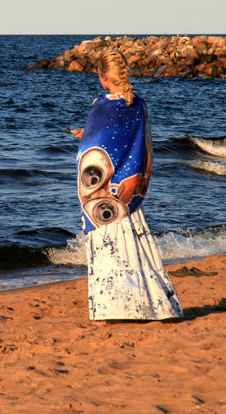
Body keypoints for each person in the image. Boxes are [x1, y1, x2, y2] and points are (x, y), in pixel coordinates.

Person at [74, 50, 183, 325]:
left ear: (102, 78)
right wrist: (86, 134)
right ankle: (155, 306)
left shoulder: (101, 106)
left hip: (103, 197)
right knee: (136, 248)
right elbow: (135, 142)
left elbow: (95, 148)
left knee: (105, 249)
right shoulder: (138, 104)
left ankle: (106, 313)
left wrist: (85, 137)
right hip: (128, 190)